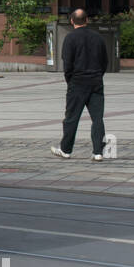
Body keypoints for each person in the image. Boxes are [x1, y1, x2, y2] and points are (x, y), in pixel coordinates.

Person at [52, 9, 109, 161]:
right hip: (96, 81)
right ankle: (98, 152)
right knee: (97, 118)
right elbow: (105, 61)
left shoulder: (70, 38)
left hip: (77, 82)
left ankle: (66, 149)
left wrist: (70, 80)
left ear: (72, 21)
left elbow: (67, 63)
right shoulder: (98, 38)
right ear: (87, 20)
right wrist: (97, 75)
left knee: (72, 118)